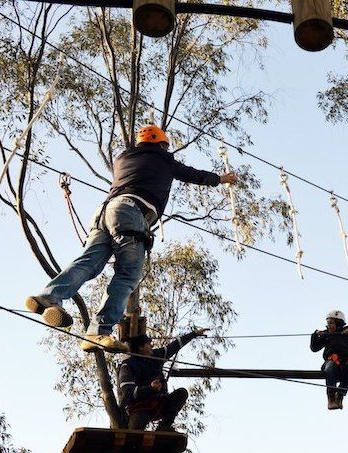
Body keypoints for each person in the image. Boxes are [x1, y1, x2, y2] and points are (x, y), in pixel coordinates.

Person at [24, 125, 236, 352]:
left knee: (88, 263)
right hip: (131, 213)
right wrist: (222, 179)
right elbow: (193, 175)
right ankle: (98, 332)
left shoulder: (123, 157)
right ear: (162, 145)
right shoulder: (163, 159)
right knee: (127, 276)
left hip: (104, 212)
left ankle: (48, 296)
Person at [118, 328, 208, 431]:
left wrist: (194, 334)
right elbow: (128, 392)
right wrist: (150, 388)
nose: (152, 345)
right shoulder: (128, 365)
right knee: (135, 431)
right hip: (139, 407)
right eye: (148, 344)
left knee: (181, 393)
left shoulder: (156, 356)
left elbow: (174, 346)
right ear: (140, 347)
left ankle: (164, 427)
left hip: (159, 402)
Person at [310, 310, 348, 410]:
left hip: (345, 363)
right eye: (328, 324)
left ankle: (340, 394)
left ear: (339, 323)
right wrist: (315, 335)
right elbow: (314, 348)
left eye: (331, 323)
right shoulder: (327, 335)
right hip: (330, 363)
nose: (329, 326)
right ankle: (331, 397)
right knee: (331, 365)